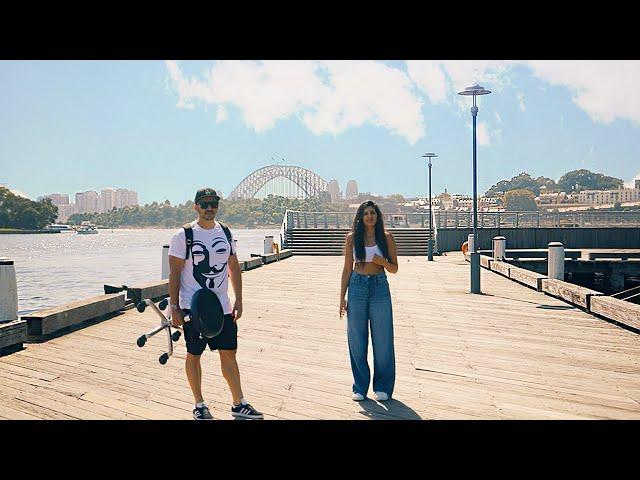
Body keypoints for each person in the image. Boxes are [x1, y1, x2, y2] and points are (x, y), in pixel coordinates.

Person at [168, 187, 263, 420]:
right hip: (194, 306)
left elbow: (233, 266)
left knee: (229, 353)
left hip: (222, 306)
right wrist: (174, 307)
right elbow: (174, 274)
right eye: (205, 204)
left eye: (214, 204)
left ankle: (238, 402)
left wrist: (238, 298)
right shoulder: (183, 236)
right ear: (196, 206)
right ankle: (199, 404)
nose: (209, 208)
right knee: (194, 354)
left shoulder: (226, 233)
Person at [340, 200, 398, 402]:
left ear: (377, 216)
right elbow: (347, 268)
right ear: (360, 217)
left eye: (372, 213)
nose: (369, 216)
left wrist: (382, 262)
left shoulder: (387, 238)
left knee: (383, 340)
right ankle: (360, 386)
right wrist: (342, 297)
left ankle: (383, 386)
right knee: (357, 339)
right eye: (365, 213)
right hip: (356, 287)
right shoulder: (351, 239)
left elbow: (394, 268)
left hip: (379, 287)